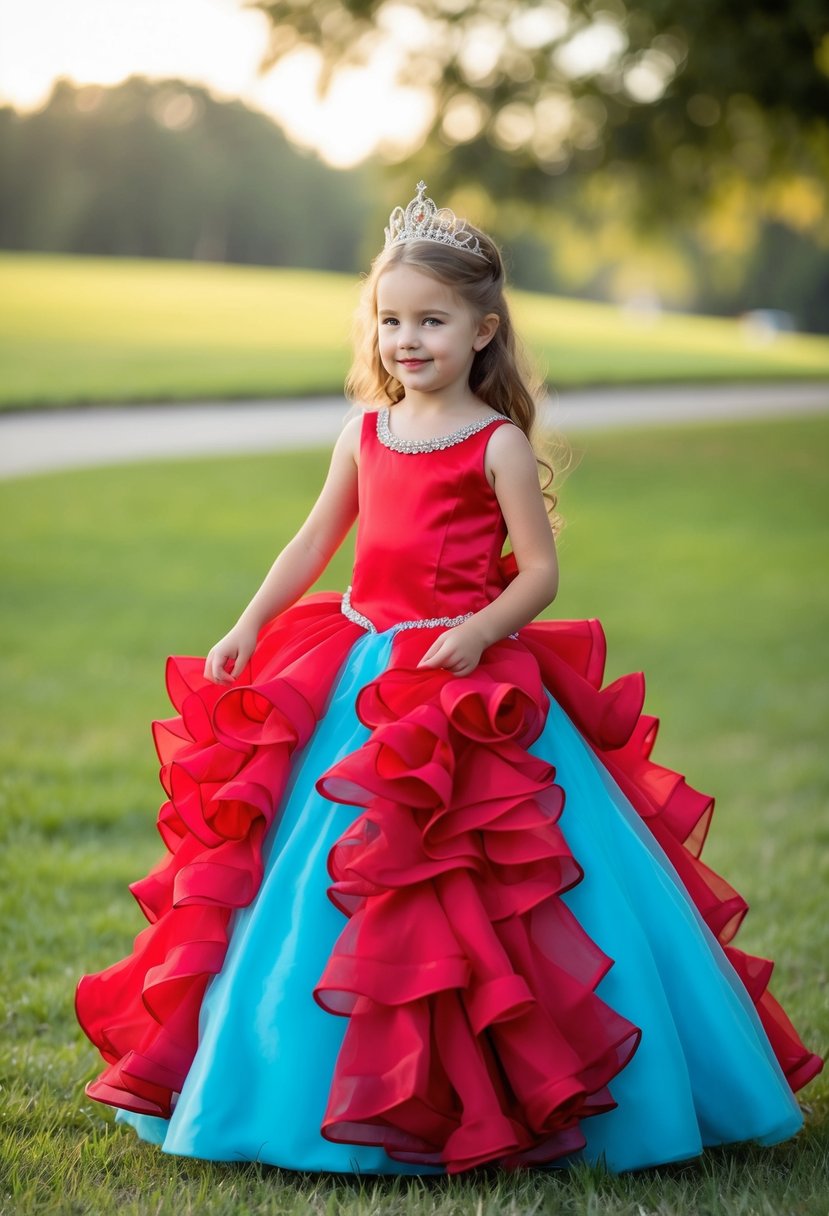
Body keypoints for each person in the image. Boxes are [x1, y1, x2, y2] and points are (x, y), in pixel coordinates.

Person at [76, 182, 823, 1176]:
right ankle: (284, 1086)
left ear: (483, 329)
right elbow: (315, 541)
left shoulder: (497, 443)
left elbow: (542, 572)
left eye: (430, 320)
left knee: (487, 886)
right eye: (390, 321)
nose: (406, 340)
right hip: (358, 677)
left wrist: (480, 630)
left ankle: (514, 1085)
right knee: (325, 878)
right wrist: (249, 621)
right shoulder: (365, 433)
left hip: (465, 680)